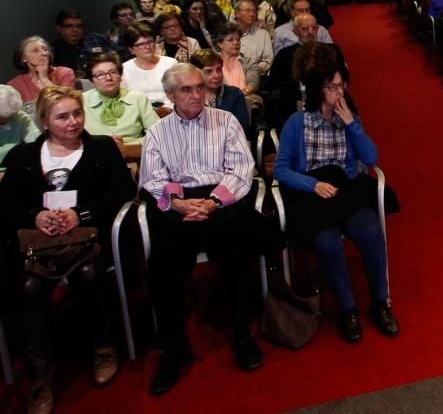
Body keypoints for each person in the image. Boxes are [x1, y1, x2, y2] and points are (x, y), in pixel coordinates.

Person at [139, 63, 275, 395]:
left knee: (237, 258)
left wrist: (213, 202)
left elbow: (242, 170)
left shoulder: (225, 121)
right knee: (162, 270)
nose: (196, 94)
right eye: (186, 90)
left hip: (221, 202)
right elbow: (152, 180)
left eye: (200, 87)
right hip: (181, 206)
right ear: (170, 96)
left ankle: (242, 336)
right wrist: (182, 204)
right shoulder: (158, 132)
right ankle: (174, 350)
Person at [0, 86, 134, 410]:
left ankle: (103, 348)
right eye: (63, 116)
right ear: (44, 121)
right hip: (41, 242)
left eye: (77, 113)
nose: (73, 122)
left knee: (87, 273)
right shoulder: (22, 156)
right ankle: (39, 376)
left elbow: (123, 190)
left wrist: (81, 214)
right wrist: (37, 217)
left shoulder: (101, 148)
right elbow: (5, 204)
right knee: (30, 286)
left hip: (87, 237)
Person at [274, 59, 398, 343]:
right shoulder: (298, 123)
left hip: (346, 190)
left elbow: (371, 159)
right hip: (315, 195)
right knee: (327, 243)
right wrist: (312, 184)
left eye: (342, 86)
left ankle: (380, 302)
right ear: (319, 90)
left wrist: (352, 125)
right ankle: (347, 309)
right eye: (332, 87)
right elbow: (281, 170)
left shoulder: (348, 119)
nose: (339, 92)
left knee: (370, 233)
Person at [83, 53, 161, 144]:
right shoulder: (82, 100)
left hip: (133, 153)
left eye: (113, 72)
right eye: (100, 75)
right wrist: (103, 143)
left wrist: (128, 147)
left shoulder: (138, 98)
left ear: (120, 76)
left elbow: (157, 134)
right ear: (91, 80)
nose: (108, 78)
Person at [189, 49, 251, 136]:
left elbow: (241, 127)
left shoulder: (234, 94)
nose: (216, 75)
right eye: (209, 71)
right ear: (196, 73)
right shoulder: (190, 97)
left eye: (219, 69)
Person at [50, 10, 125, 77]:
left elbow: (125, 54)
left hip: (105, 78)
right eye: (69, 26)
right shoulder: (54, 50)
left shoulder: (97, 39)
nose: (75, 30)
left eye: (79, 26)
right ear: (59, 28)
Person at [8, 36, 77, 107]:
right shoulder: (15, 85)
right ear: (24, 58)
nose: (44, 53)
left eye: (45, 49)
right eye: (35, 51)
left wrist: (44, 78)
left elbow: (66, 105)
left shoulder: (65, 73)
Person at [121, 23, 176, 110]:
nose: (147, 47)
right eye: (141, 44)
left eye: (150, 41)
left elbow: (179, 94)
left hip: (171, 112)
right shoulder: (124, 69)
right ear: (131, 49)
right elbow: (125, 101)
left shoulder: (170, 63)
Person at [0, 85, 41, 169]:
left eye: (11, 116)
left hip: (14, 168)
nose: (7, 121)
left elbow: (35, 138)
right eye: (2, 118)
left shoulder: (19, 116)